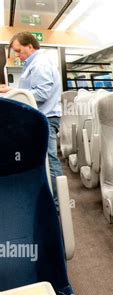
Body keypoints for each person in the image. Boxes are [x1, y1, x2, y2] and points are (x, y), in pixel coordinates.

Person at [0, 32, 62, 208]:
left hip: (47, 118)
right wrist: (11, 90)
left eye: (19, 51)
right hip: (41, 117)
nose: (18, 56)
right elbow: (31, 91)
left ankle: (57, 204)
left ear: (30, 46)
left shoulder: (40, 63)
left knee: (50, 160)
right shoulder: (34, 63)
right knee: (44, 159)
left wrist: (14, 94)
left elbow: (41, 93)